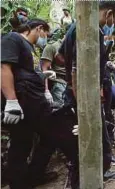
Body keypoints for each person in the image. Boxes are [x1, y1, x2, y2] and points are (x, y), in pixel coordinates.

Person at [58, 0, 115, 182]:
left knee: (98, 139)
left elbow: (62, 55)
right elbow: (75, 70)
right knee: (89, 142)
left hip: (86, 94)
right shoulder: (89, 30)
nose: (113, 25)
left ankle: (97, 175)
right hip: (84, 98)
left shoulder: (77, 26)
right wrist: (83, 108)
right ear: (109, 13)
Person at [1, 18, 58, 189]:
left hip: (34, 101)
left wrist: (43, 77)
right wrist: (11, 100)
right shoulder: (13, 39)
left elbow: (25, 72)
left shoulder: (30, 48)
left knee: (49, 136)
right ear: (39, 28)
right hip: (22, 101)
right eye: (45, 35)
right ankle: (19, 183)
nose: (44, 39)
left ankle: (34, 175)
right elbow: (4, 68)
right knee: (21, 143)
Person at [41, 29, 66, 106]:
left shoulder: (76, 46)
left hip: (72, 83)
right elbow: (44, 69)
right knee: (61, 108)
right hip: (59, 82)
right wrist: (46, 90)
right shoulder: (53, 47)